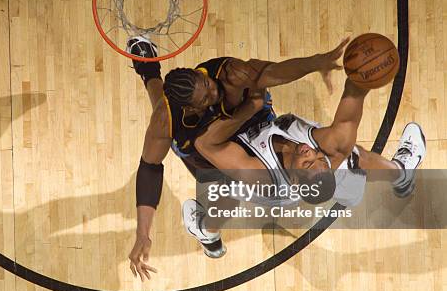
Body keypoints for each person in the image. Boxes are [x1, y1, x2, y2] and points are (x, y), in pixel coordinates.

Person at [126, 35, 350, 281]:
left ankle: (205, 230)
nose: (213, 92)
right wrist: (143, 232)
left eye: (208, 83)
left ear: (201, 73)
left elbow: (272, 72)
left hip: (251, 132)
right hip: (206, 151)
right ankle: (148, 70)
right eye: (206, 98)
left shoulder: (229, 75)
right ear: (192, 108)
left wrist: (314, 62)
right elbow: (151, 167)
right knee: (165, 111)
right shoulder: (168, 118)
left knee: (237, 190)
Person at [181, 78, 426, 257]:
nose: (309, 151)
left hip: (264, 184)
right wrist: (359, 80)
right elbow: (347, 118)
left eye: (307, 161)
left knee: (230, 192)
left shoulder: (258, 173)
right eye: (318, 157)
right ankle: (402, 174)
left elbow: (204, 144)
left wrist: (251, 106)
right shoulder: (326, 155)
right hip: (312, 183)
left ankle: (206, 232)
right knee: (352, 156)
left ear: (297, 178)